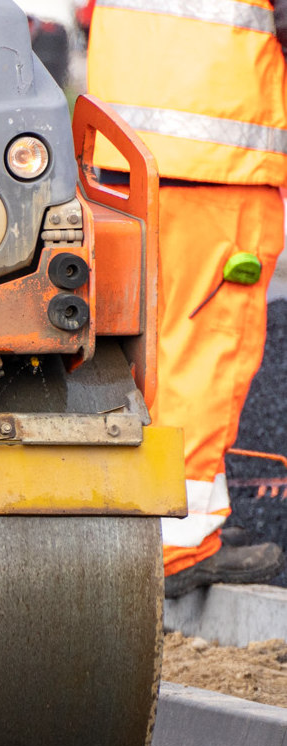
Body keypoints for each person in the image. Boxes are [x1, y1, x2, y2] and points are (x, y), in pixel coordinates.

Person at [87, 0, 287, 597]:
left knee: (144, 345)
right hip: (219, 157)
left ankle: (128, 525)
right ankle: (181, 542)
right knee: (207, 349)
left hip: (123, 154)